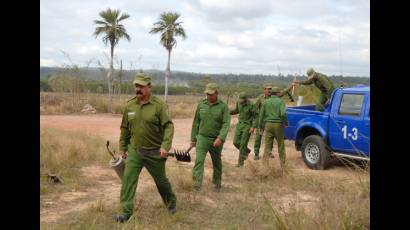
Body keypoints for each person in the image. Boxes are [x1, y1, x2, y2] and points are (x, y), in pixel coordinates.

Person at [115, 73, 176, 222]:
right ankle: (126, 211)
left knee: (161, 181)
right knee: (128, 179)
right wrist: (123, 148)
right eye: (136, 86)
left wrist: (165, 146)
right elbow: (124, 129)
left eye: (141, 86)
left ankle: (171, 203)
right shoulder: (130, 106)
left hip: (155, 152)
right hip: (135, 151)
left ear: (149, 87)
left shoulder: (159, 106)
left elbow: (168, 126)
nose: (138, 89)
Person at [190, 83, 231, 192]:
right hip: (202, 138)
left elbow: (226, 123)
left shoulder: (223, 107)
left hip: (216, 139)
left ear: (217, 93)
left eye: (211, 94)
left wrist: (221, 138)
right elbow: (196, 122)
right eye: (207, 94)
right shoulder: (201, 105)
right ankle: (196, 184)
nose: (208, 96)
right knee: (199, 160)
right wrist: (193, 139)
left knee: (216, 162)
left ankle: (217, 183)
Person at [253, 84, 292, 160]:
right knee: (259, 137)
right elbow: (254, 109)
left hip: (268, 122)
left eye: (270, 89)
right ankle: (256, 153)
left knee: (269, 141)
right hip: (268, 121)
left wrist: (291, 86)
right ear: (264, 89)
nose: (269, 90)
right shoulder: (261, 98)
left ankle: (267, 156)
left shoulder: (269, 100)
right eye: (267, 89)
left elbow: (284, 91)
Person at [258, 87, 288, 169]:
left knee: (267, 146)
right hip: (278, 125)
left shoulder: (265, 102)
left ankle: (264, 167)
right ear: (278, 93)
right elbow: (283, 114)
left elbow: (261, 116)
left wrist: (261, 127)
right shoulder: (281, 102)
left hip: (268, 125)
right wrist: (285, 123)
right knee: (281, 146)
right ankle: (283, 167)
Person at [230, 92, 256, 167]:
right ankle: (246, 151)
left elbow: (256, 116)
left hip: (247, 125)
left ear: (246, 99)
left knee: (243, 144)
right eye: (240, 100)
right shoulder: (239, 103)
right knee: (235, 142)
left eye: (242, 100)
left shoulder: (251, 105)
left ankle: (240, 163)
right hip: (240, 124)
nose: (241, 102)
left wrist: (253, 127)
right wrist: (228, 112)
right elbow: (236, 110)